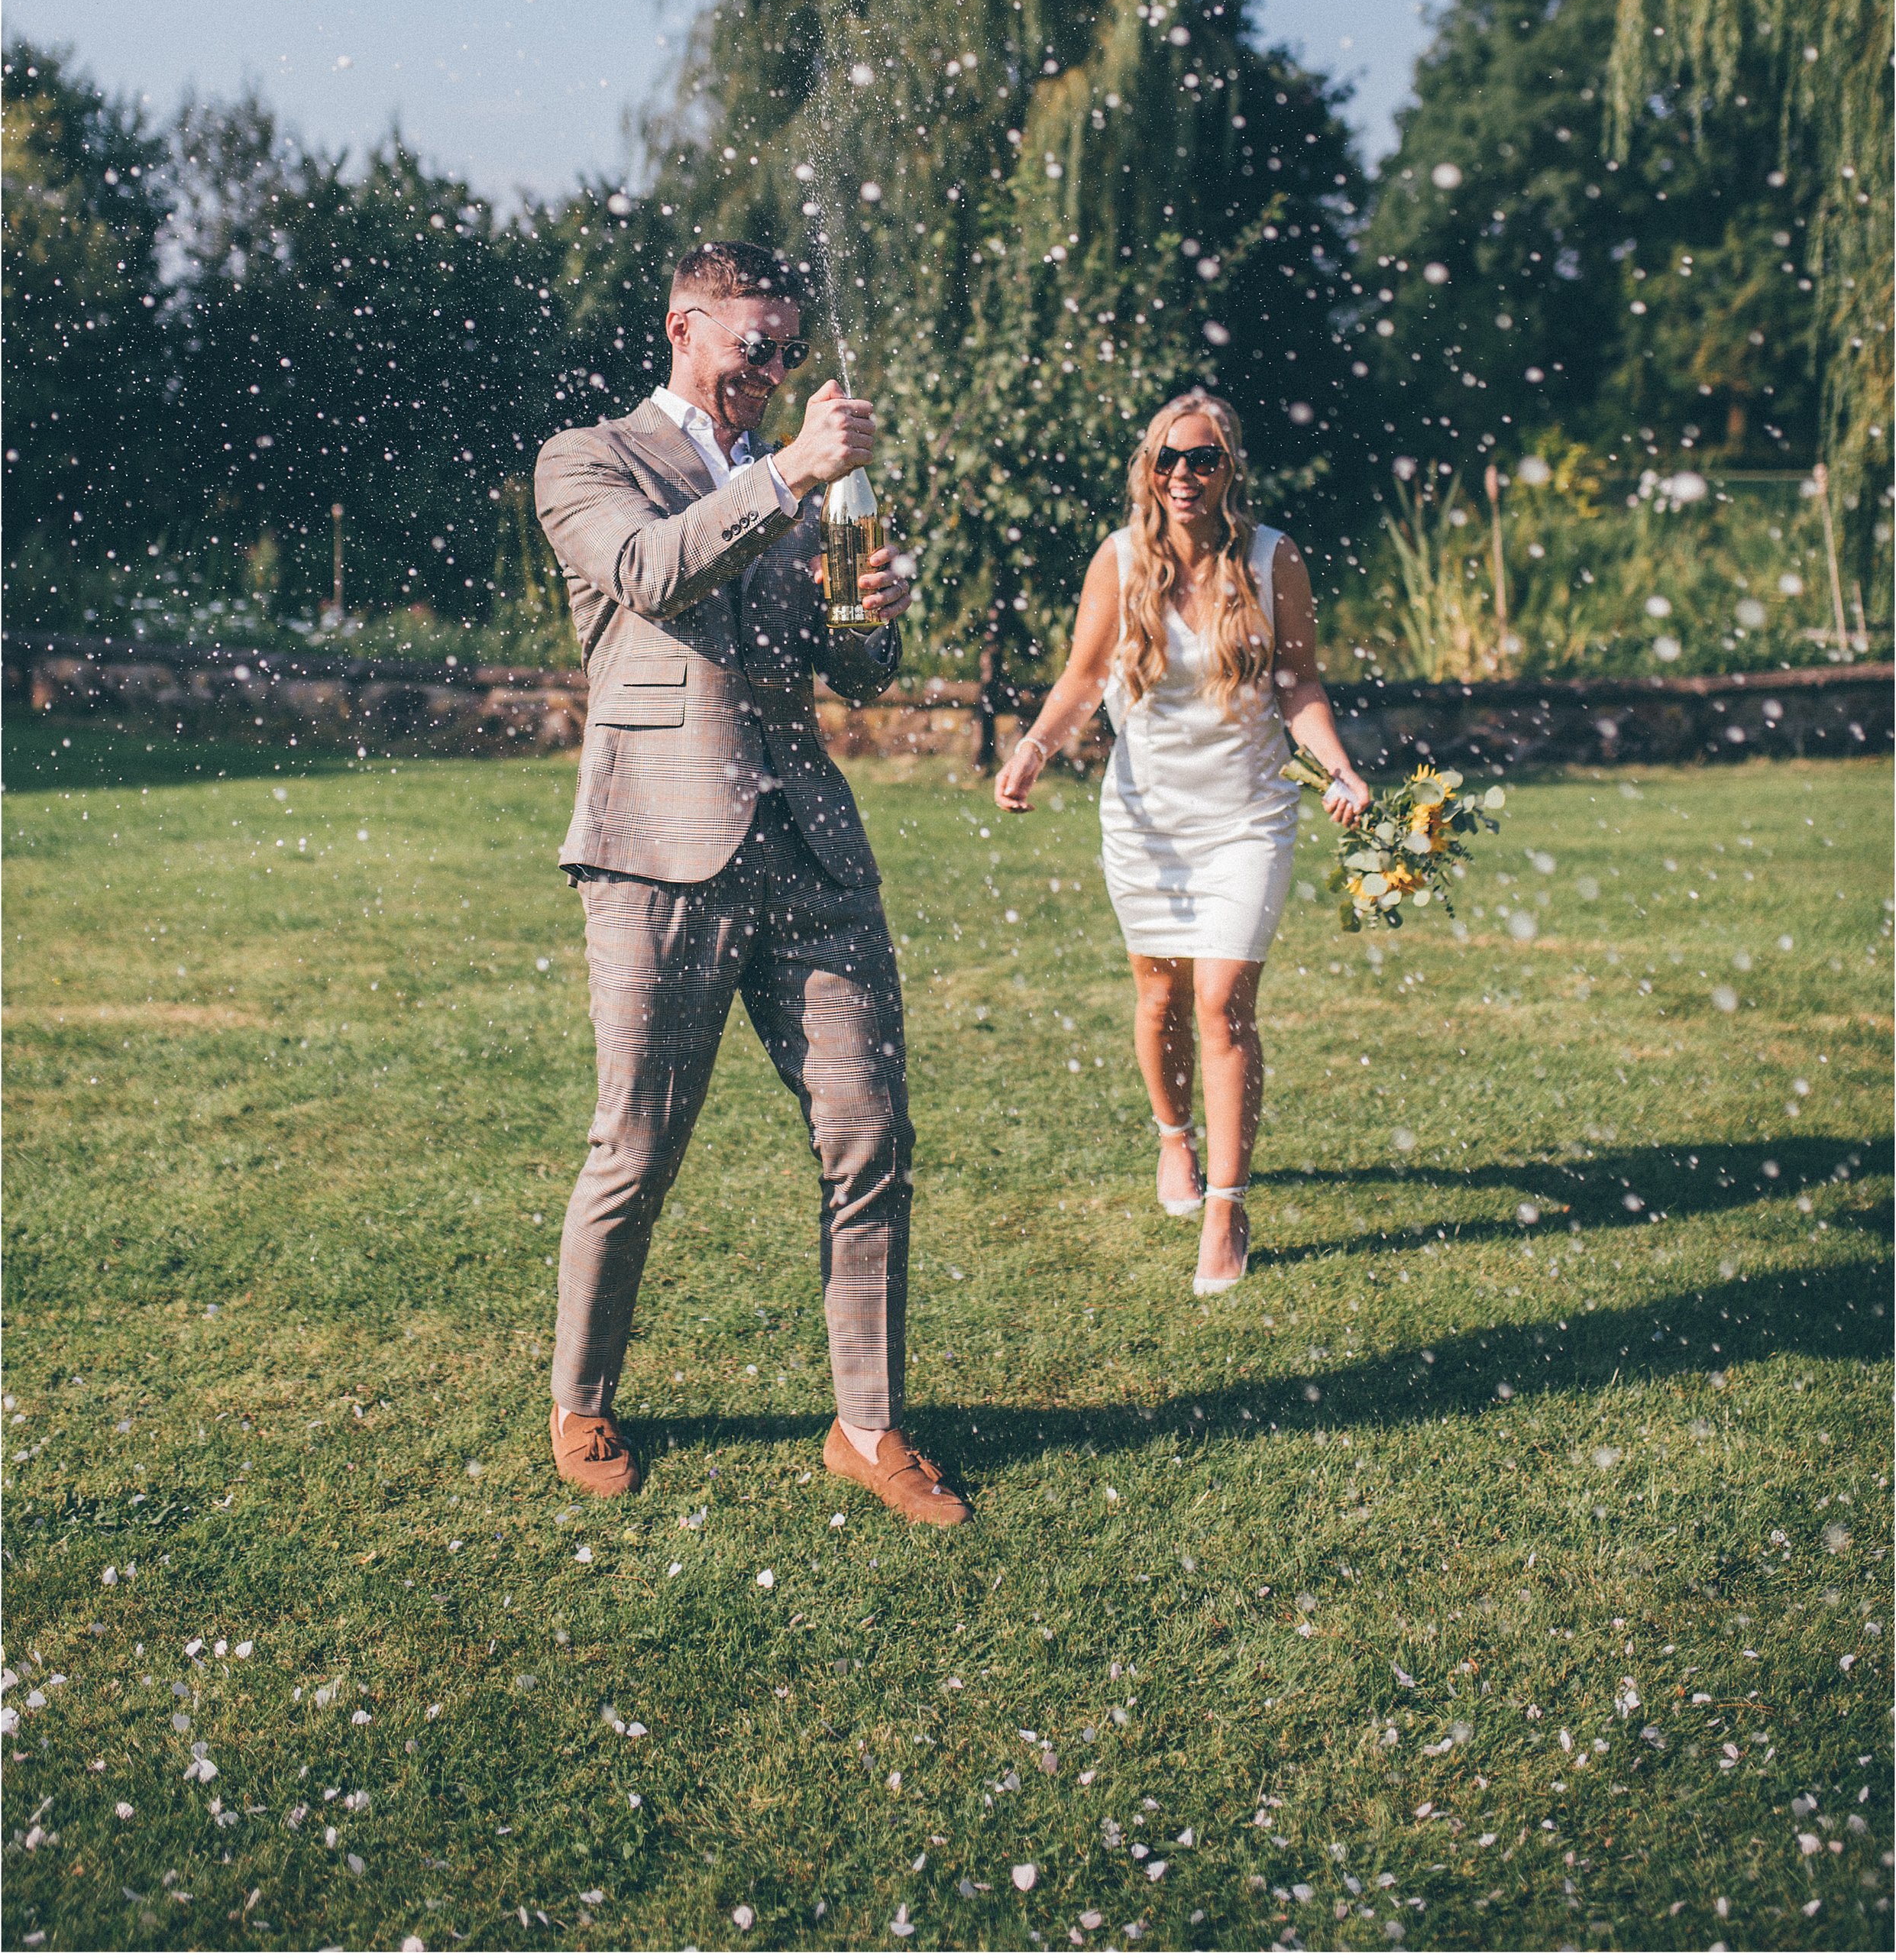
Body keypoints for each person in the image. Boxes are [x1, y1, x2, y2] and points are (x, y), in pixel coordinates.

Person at [533, 239, 970, 1527]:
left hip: (813, 849)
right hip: (655, 846)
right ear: (683, 327)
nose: (774, 373)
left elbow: (860, 670)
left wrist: (874, 616)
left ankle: (869, 1423)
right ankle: (581, 1395)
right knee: (638, 1145)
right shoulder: (589, 458)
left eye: (789, 352)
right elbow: (653, 573)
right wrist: (790, 476)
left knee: (872, 1135)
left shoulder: (805, 481)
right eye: (754, 349)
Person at [994, 390, 1370, 1294]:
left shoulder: (1273, 558)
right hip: (1147, 819)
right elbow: (1083, 677)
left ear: (1228, 466)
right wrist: (1035, 749)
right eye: (1166, 458)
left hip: (1247, 814)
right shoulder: (1121, 560)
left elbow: (1299, 683)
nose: (1182, 475)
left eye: (1200, 458)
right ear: (1147, 470)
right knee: (1158, 995)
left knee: (1221, 1001)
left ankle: (1227, 1206)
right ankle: (1174, 1138)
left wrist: (1342, 771)